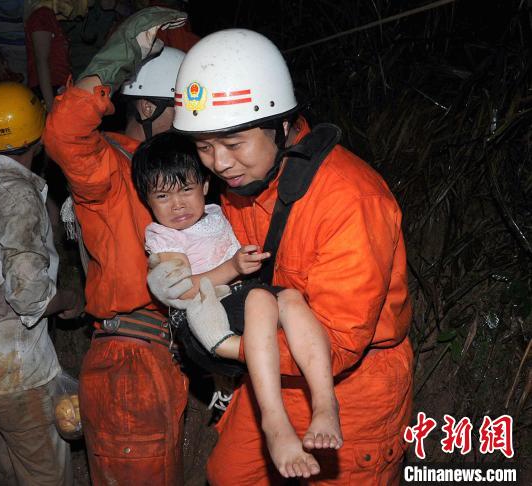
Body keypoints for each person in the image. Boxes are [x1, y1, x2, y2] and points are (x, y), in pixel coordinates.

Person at [149, 29, 414, 484]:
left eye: (233, 144)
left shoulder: (349, 200)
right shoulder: (243, 187)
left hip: (350, 386)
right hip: (273, 375)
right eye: (204, 147)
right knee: (229, 475)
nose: (219, 164)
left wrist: (228, 347)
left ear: (281, 124)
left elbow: (340, 342)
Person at [131, 132, 343, 478]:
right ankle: (274, 421)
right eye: (163, 196)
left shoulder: (216, 213)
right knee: (262, 298)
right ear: (148, 201)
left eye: (186, 190)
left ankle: (324, 402)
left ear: (204, 186)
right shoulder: (163, 237)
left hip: (239, 301)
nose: (178, 205)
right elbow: (179, 291)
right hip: (202, 319)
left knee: (290, 298)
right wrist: (231, 267)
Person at [42, 7, 191, 485]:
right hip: (130, 365)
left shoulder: (167, 175)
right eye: (179, 113)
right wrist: (119, 56)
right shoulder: (110, 166)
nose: (190, 129)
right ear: (146, 108)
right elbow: (64, 133)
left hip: (152, 357)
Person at [0, 81, 83, 486]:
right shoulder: (17, 199)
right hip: (15, 376)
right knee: (47, 477)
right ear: (37, 132)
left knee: (7, 468)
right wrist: (69, 299)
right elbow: (30, 299)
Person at [24, 1, 75, 111]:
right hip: (49, 92)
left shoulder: (50, 16)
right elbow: (41, 60)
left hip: (56, 89)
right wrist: (50, 105)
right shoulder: (42, 15)